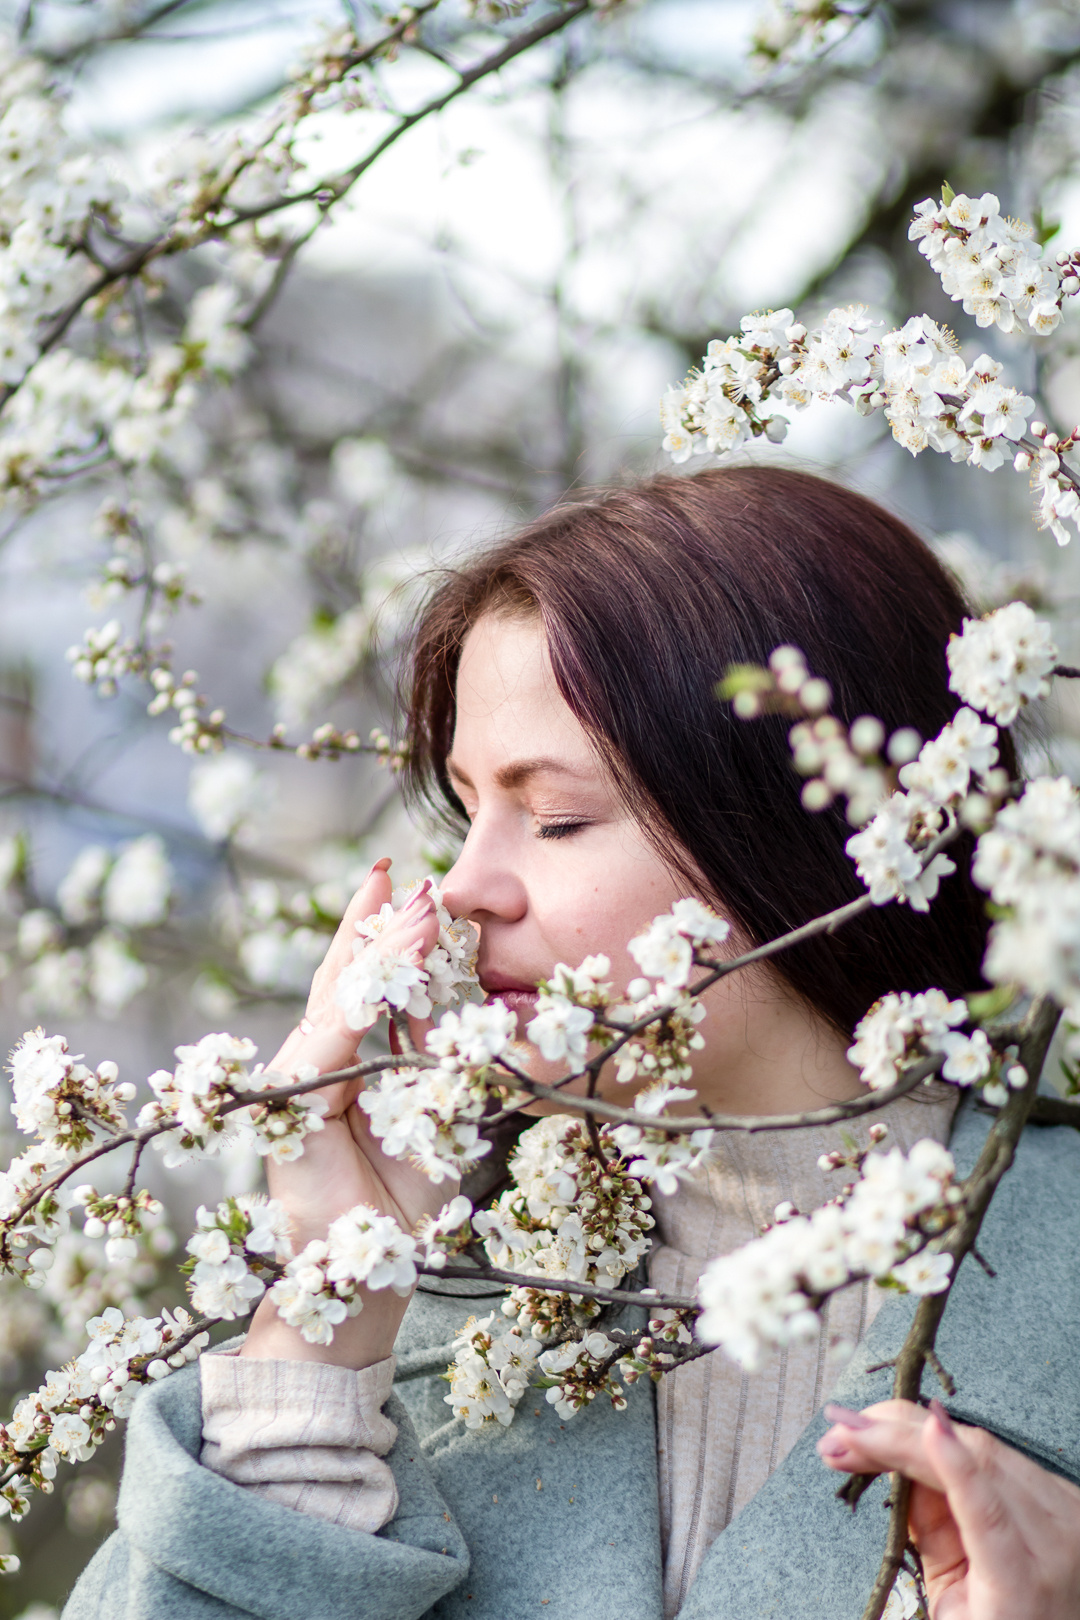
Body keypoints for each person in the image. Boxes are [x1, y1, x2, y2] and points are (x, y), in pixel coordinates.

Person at [63, 467, 1080, 1620]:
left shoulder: (1052, 1286)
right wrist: (320, 1329)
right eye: (463, 810)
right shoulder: (465, 1333)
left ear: (810, 830)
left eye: (552, 818)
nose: (465, 890)